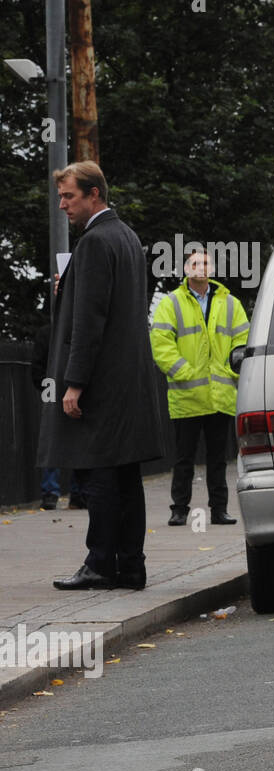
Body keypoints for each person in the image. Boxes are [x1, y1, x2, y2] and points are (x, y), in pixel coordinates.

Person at [38, 161, 165, 590]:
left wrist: (75, 383)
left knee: (99, 476)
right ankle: (131, 565)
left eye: (69, 196)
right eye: (61, 197)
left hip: (103, 385)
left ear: (94, 194)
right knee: (126, 477)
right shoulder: (126, 236)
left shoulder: (94, 242)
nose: (62, 205)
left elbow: (90, 321)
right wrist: (67, 289)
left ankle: (99, 564)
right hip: (128, 381)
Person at [150, 249, 249, 526]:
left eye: (206, 263)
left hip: (220, 395)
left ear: (212, 269)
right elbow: (160, 342)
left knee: (219, 460)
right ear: (186, 269)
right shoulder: (171, 303)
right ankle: (179, 509)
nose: (201, 267)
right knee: (184, 459)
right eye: (195, 263)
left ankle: (219, 510)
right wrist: (184, 371)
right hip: (188, 394)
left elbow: (242, 341)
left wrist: (231, 371)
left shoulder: (231, 303)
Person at [30, 278, 85, 510]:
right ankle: (53, 493)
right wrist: (49, 391)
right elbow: (38, 368)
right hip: (54, 391)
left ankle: (75, 493)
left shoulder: (72, 330)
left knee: (77, 443)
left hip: (71, 390)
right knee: (54, 440)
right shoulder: (48, 333)